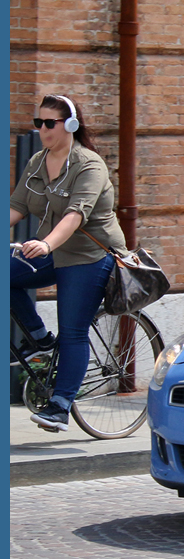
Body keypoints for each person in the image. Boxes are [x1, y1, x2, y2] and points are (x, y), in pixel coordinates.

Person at [9, 94, 128, 432]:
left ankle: (59, 406)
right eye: (38, 123)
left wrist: (45, 243)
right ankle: (40, 341)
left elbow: (76, 215)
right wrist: (45, 246)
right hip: (52, 252)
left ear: (70, 125)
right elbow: (16, 206)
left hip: (90, 257)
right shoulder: (37, 162)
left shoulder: (88, 164)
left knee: (74, 331)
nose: (42, 129)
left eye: (50, 123)